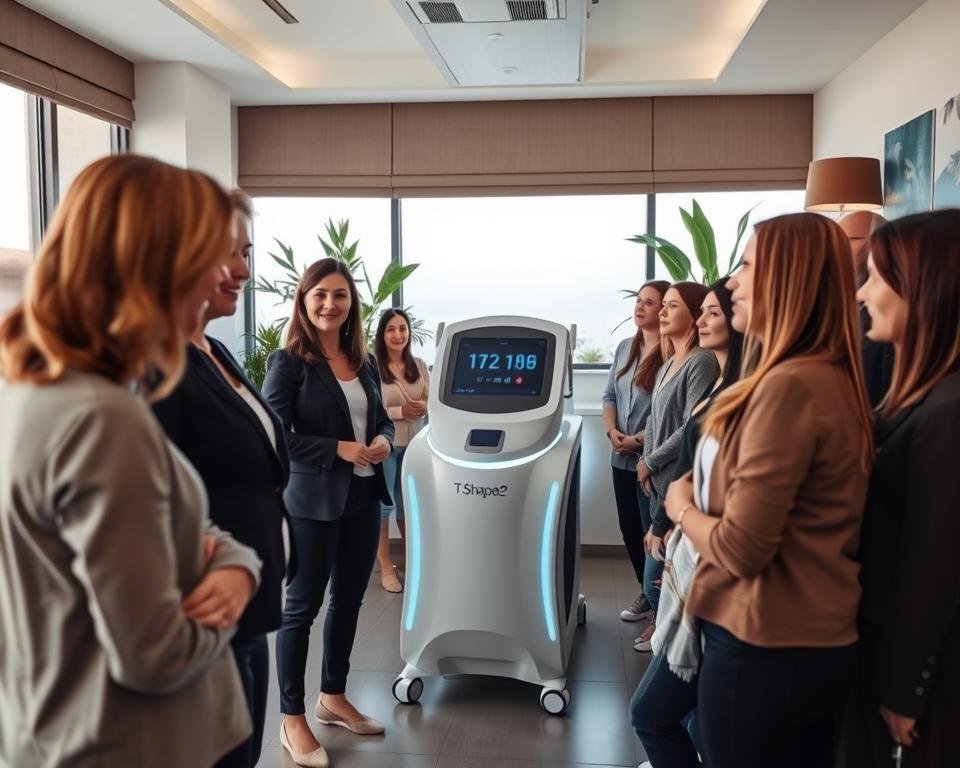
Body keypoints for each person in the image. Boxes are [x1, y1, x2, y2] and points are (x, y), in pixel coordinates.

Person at [0, 155, 261, 768]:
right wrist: (231, 605)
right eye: (210, 256)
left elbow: (186, 531)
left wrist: (236, 565)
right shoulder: (102, 419)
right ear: (157, 264)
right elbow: (155, 653)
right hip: (130, 743)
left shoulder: (38, 390)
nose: (225, 277)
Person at [665, 213, 873, 768]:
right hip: (808, 638)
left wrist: (680, 508)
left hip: (763, 639)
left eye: (747, 266)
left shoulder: (788, 387)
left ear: (788, 280)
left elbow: (741, 548)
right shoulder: (825, 375)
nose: (732, 281)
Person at [151, 191, 289, 768]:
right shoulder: (157, 369)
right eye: (225, 252)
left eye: (246, 253)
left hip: (248, 611)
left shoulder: (216, 351)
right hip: (205, 620)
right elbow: (149, 509)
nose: (242, 269)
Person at [263, 258, 395, 768]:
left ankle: (333, 697)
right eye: (319, 294)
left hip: (363, 498)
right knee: (301, 609)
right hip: (311, 505)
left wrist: (383, 439)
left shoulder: (364, 362)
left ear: (351, 303)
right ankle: (292, 716)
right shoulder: (289, 363)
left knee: (349, 602)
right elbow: (275, 434)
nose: (329, 304)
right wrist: (336, 448)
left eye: (340, 295)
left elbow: (381, 418)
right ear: (304, 300)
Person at [841, 209, 960, 768]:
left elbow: (933, 563)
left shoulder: (949, 410)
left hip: (920, 682)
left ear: (923, 287)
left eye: (874, 277)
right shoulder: (925, 398)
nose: (861, 293)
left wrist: (903, 687)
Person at [630, 279, 744, 767]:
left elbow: (691, 451)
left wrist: (671, 507)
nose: (700, 320)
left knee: (654, 712)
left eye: (711, 312)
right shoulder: (697, 368)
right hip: (674, 509)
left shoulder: (719, 375)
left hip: (698, 538)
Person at [634, 281, 719, 651]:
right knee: (656, 577)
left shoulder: (701, 361)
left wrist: (651, 461)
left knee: (657, 581)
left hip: (675, 483)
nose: (663, 312)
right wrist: (646, 462)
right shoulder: (670, 361)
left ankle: (670, 652)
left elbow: (690, 427)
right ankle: (666, 646)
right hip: (657, 480)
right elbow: (655, 419)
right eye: (663, 305)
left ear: (694, 312)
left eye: (671, 306)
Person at [602, 280, 670, 623]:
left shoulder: (672, 353)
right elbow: (609, 396)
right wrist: (611, 432)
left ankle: (661, 605)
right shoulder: (624, 347)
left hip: (650, 460)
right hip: (620, 456)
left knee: (649, 533)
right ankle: (646, 592)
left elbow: (668, 414)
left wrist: (638, 440)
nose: (639, 307)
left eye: (649, 302)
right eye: (638, 301)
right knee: (629, 528)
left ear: (665, 309)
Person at [374, 308, 430, 593]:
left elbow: (435, 402)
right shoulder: (372, 368)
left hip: (415, 447)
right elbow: (369, 409)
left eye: (402, 329)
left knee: (408, 503)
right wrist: (400, 411)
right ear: (382, 334)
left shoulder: (418, 365)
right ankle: (386, 565)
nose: (398, 335)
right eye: (391, 329)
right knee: (384, 506)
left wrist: (424, 407)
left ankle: (413, 561)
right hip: (386, 446)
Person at [838, 210, 893, 406]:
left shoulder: (891, 316)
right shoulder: (838, 304)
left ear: (875, 243)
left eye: (843, 240)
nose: (834, 249)